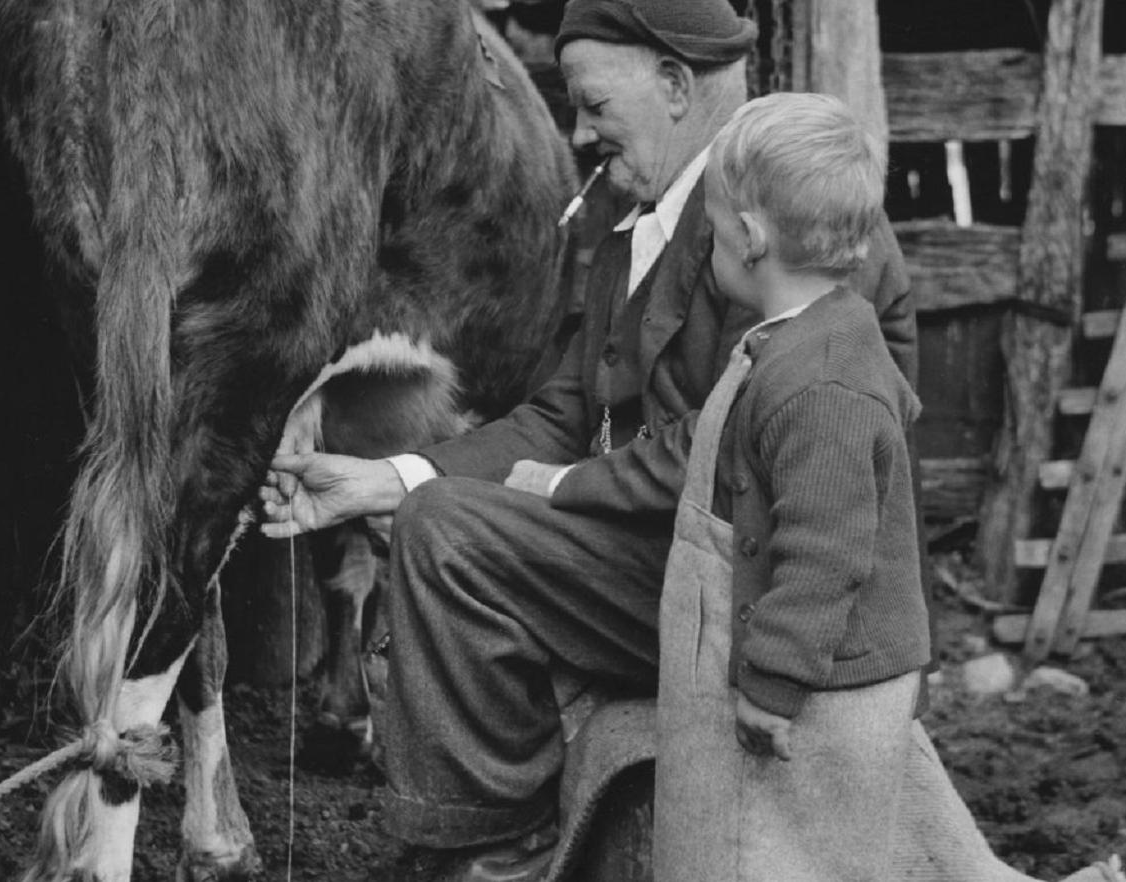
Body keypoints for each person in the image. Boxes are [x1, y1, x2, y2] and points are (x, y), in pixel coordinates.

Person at [261, 1, 915, 878]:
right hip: (662, 568)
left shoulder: (800, 227)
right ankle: (481, 839)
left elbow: (724, 448)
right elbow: (565, 411)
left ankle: (499, 855)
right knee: (437, 519)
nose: (578, 130)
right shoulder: (631, 222)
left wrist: (553, 490)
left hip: (756, 592)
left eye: (594, 103)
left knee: (450, 534)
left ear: (676, 84)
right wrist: (388, 479)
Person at [657, 90, 929, 881]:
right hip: (814, 669)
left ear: (748, 237)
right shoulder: (797, 341)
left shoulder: (822, 387)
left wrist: (772, 684)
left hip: (830, 691)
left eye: (712, 226)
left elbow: (825, 555)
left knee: (802, 856)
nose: (711, 241)